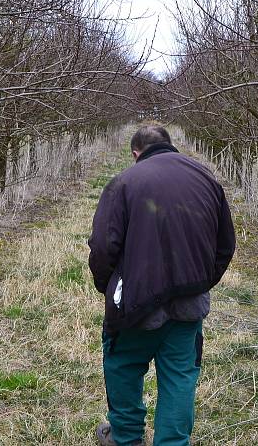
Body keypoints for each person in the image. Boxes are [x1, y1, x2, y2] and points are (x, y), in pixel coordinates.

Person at [88, 125, 236, 446]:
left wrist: (109, 287)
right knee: (180, 378)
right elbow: (225, 246)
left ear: (135, 153)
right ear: (170, 146)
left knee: (123, 367)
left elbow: (102, 246)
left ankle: (125, 438)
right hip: (189, 305)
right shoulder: (207, 180)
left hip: (135, 306)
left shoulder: (124, 182)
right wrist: (198, 283)